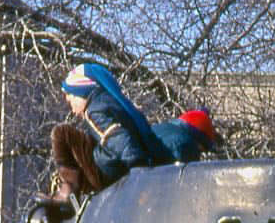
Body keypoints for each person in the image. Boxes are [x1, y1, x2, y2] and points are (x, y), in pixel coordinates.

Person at [51, 61, 167, 196]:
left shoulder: (94, 111)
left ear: (81, 92)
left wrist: (138, 168)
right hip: (111, 162)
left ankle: (67, 192)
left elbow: (117, 136)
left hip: (106, 172)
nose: (73, 110)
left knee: (61, 133)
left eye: (71, 102)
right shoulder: (108, 102)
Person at [152, 108, 219, 163]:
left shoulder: (157, 128)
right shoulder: (187, 145)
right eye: (202, 149)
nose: (200, 152)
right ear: (199, 139)